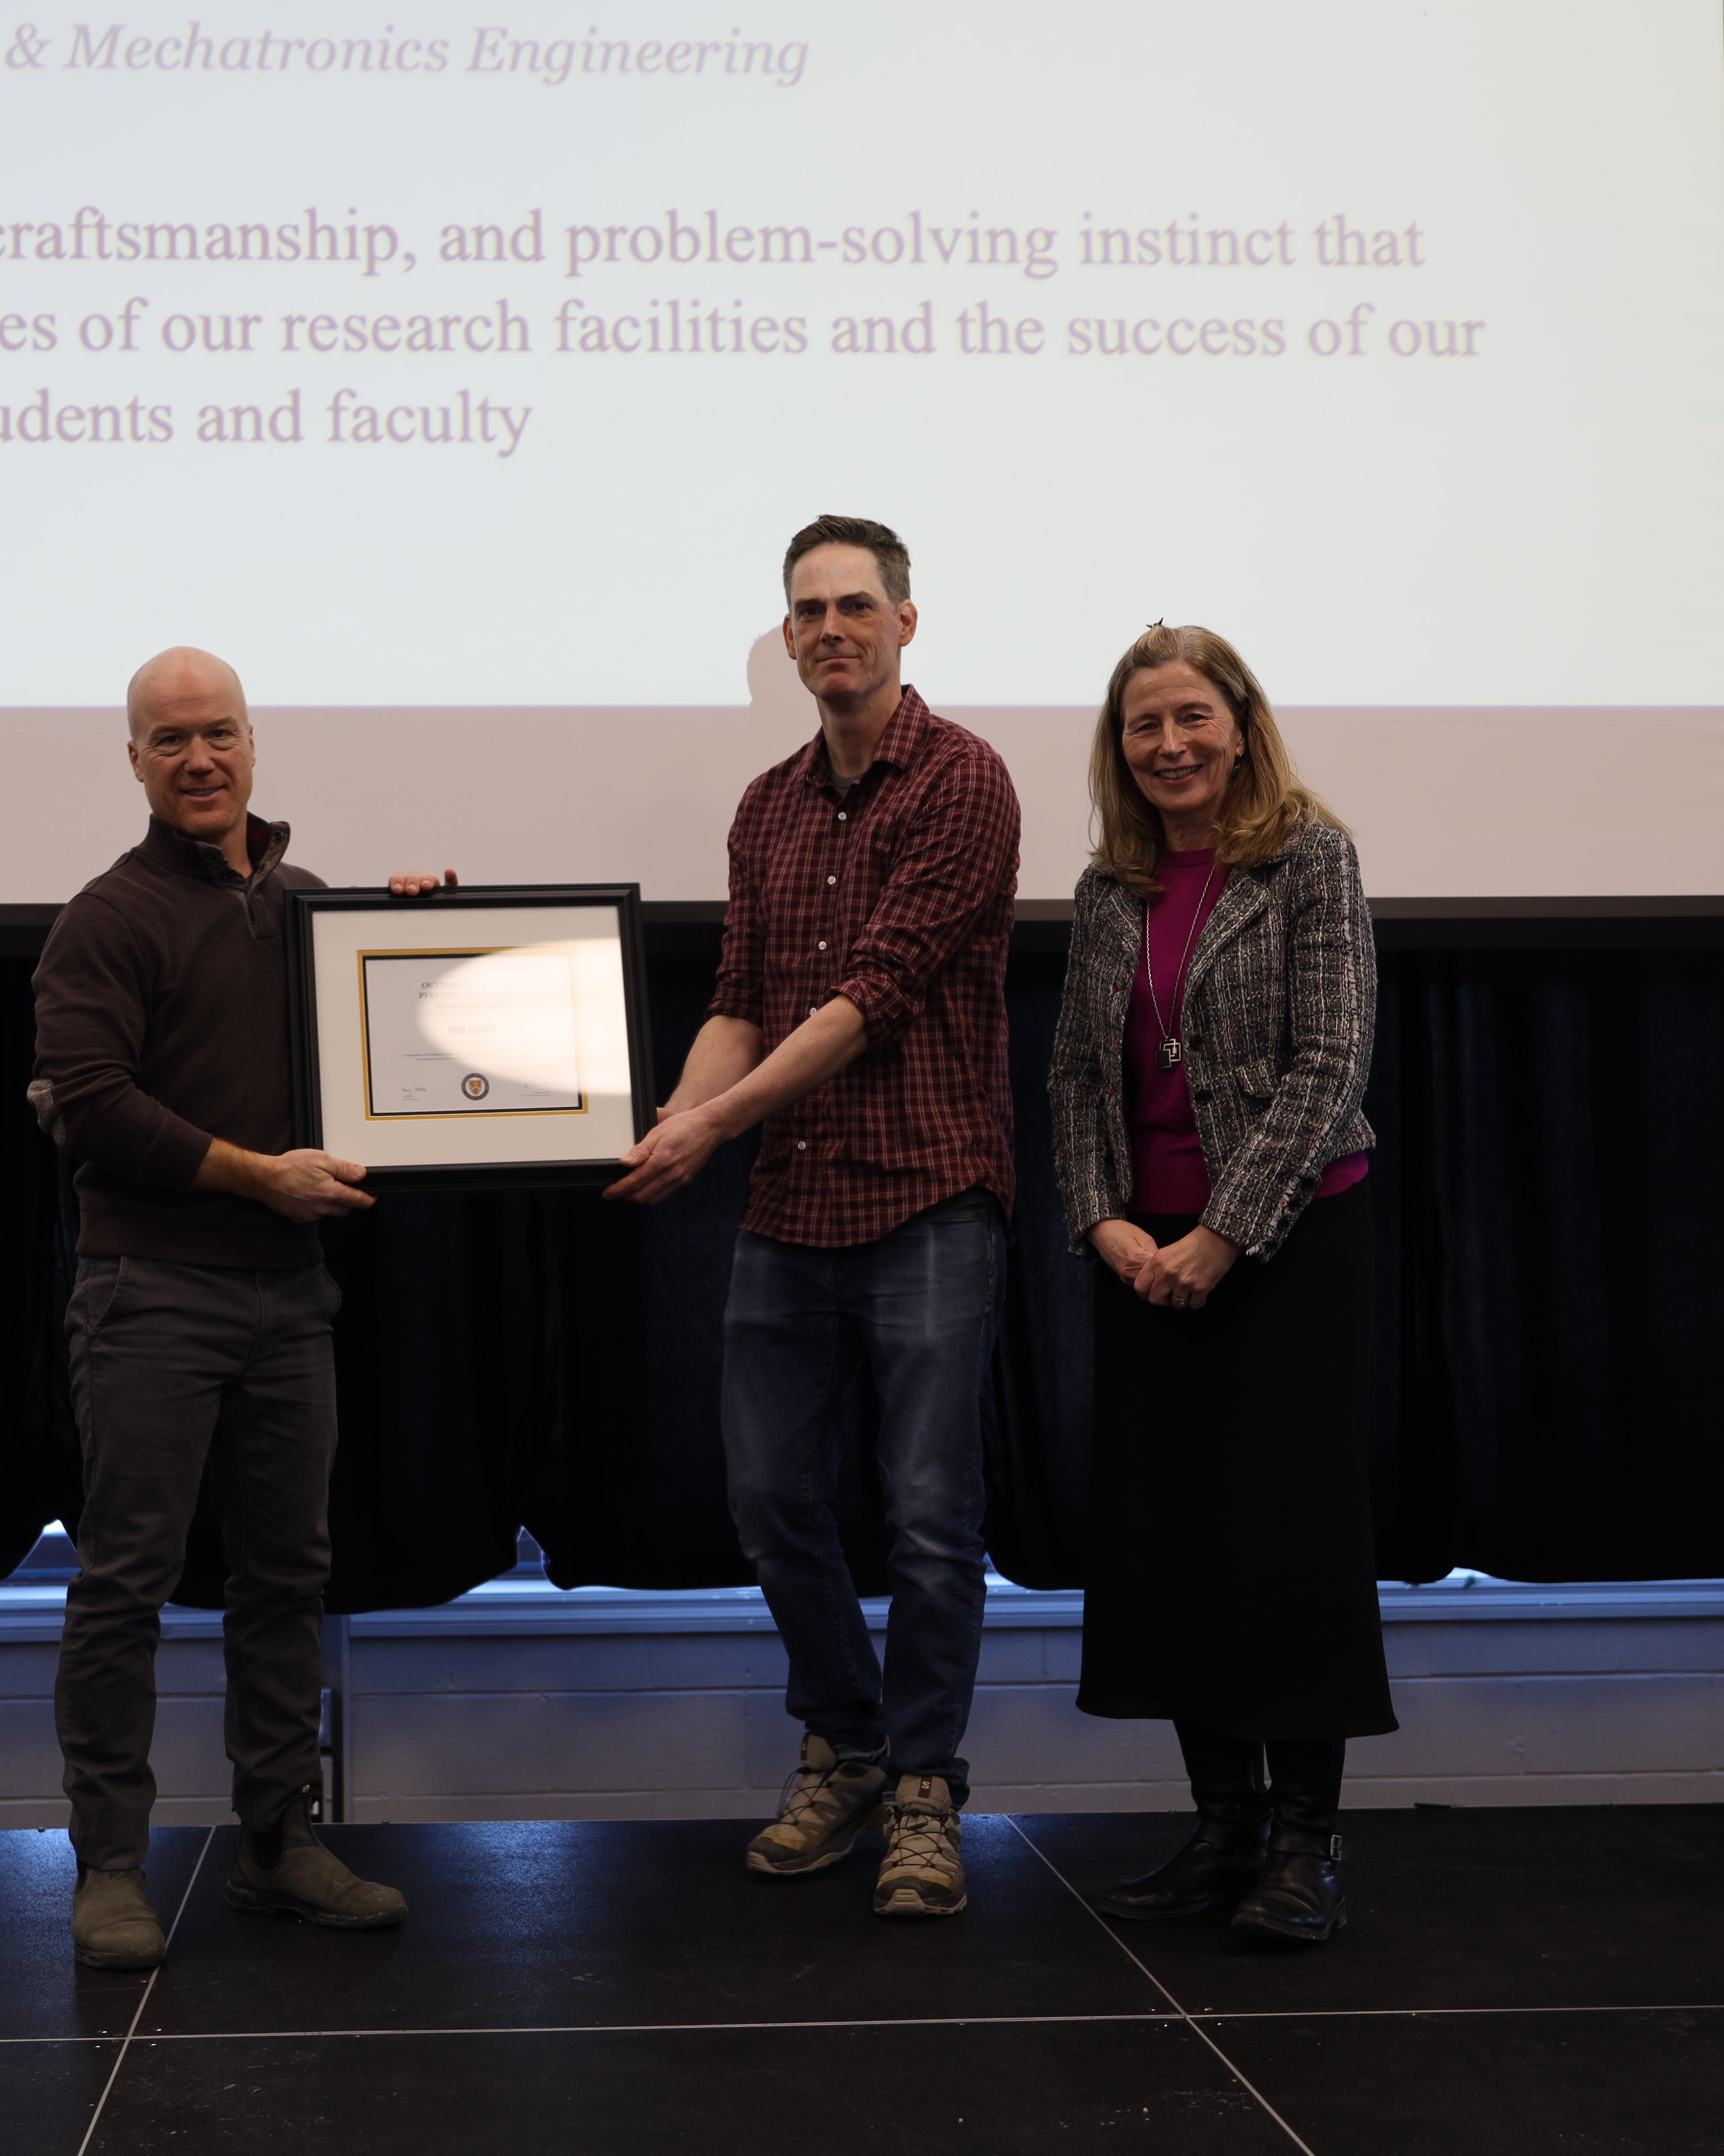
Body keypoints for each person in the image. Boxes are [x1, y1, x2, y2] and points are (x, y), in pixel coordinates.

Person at [608, 515, 1019, 1920]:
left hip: (929, 1198)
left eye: (855, 604)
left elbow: (871, 998)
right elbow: (743, 999)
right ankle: (846, 1744)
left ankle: (925, 1787)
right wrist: (671, 1117)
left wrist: (711, 1127)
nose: (831, 628)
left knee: (929, 1520)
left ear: (906, 622)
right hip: (792, 1204)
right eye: (808, 610)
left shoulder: (965, 779)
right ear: (786, 639)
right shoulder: (765, 806)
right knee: (771, 1502)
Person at [28, 645, 451, 1971]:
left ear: (255, 744)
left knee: (287, 1577)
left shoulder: (313, 909)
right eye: (171, 741)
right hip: (150, 1291)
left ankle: (277, 1841)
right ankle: (110, 1867)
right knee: (126, 1581)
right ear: (136, 762)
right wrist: (254, 1175)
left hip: (288, 1296)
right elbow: (89, 1102)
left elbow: (390, 1054)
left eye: (219, 733)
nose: (199, 759)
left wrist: (414, 942)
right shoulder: (107, 918)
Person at [1046, 622, 1393, 1946]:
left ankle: (1306, 1845)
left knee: (1286, 1542)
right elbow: (1079, 1074)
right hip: (1145, 1254)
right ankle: (1224, 1826)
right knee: (1175, 1541)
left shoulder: (1311, 857)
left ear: (1240, 727)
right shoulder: (1109, 888)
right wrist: (1103, 1219)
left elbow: (1331, 1063)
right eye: (1144, 724)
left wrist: (1224, 1234)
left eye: (1192, 716)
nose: (1170, 743)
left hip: (1290, 1248)